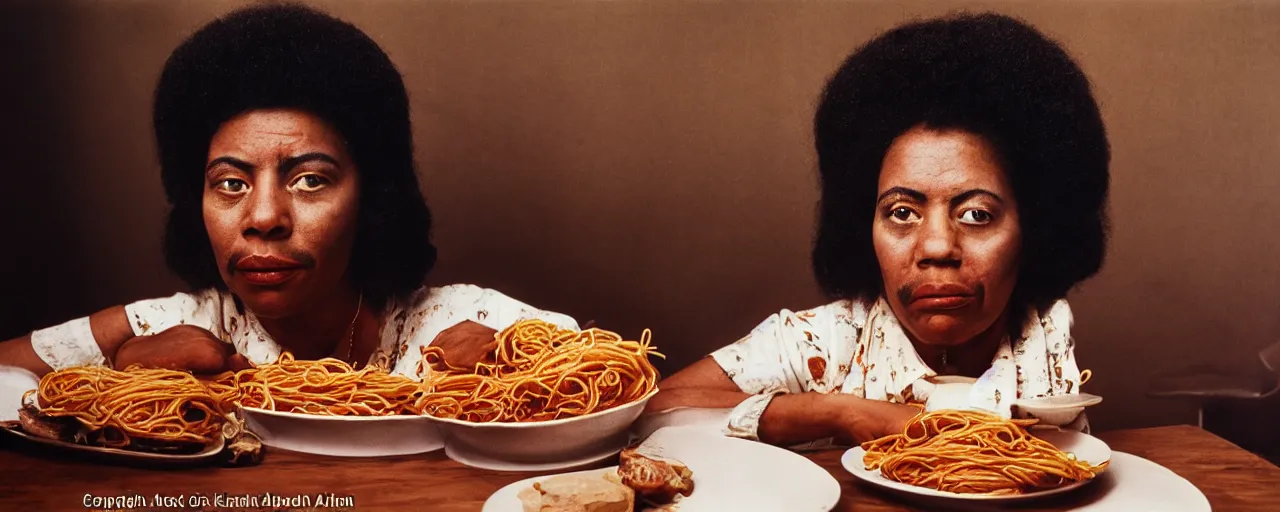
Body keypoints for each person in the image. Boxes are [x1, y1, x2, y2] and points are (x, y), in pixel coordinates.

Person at [0, 3, 576, 384]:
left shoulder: (457, 320)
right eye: (230, 183)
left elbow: (632, 391)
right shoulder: (173, 323)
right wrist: (114, 371)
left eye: (309, 180)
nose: (265, 217)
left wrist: (521, 366)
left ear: (371, 200)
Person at [645, 12, 1109, 449]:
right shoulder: (826, 339)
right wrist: (833, 413)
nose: (937, 247)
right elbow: (651, 411)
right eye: (903, 213)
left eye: (976, 215)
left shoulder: (1045, 332)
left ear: (1033, 226)